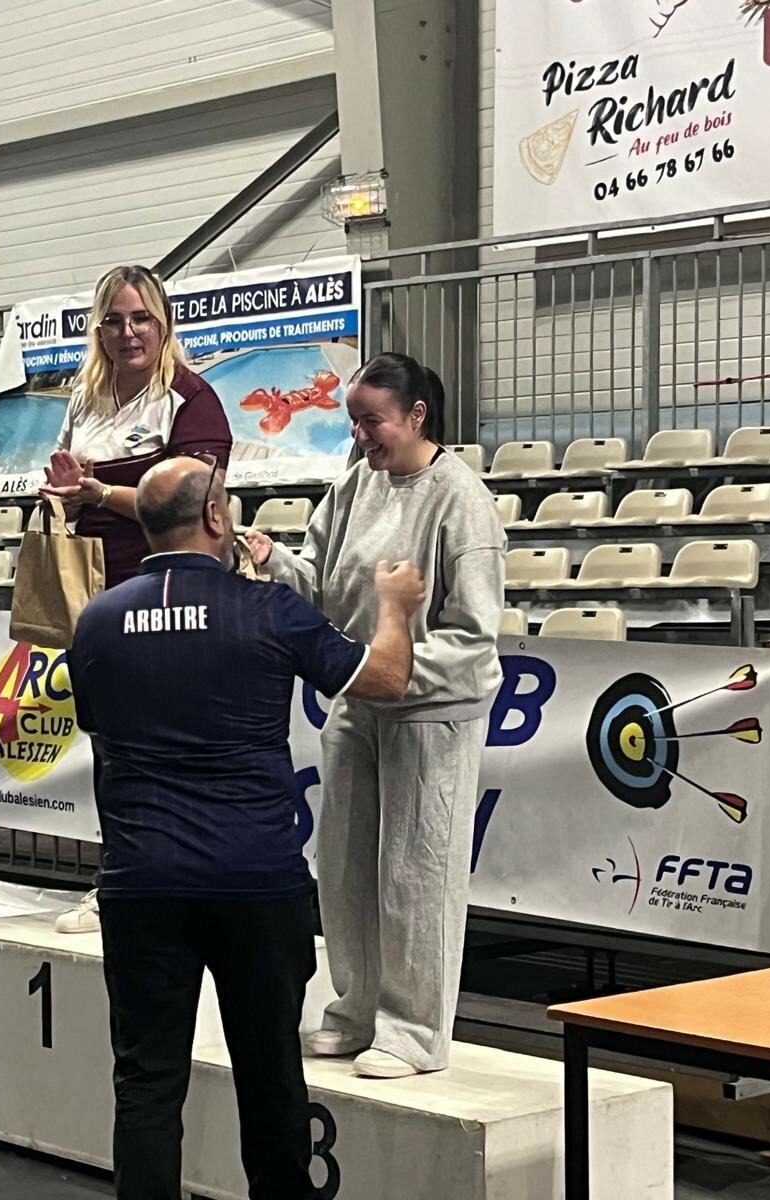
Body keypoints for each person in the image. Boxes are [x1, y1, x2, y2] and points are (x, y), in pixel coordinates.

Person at [69, 455, 425, 1200]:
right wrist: (394, 606)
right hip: (254, 878)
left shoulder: (97, 620)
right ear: (215, 517)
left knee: (146, 1080)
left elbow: (100, 727)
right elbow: (387, 680)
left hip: (141, 881)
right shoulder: (266, 609)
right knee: (270, 1074)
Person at [244, 352, 506, 1080]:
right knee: (345, 865)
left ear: (416, 415)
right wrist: (274, 561)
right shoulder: (354, 484)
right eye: (354, 422)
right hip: (358, 699)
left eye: (373, 421)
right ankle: (356, 1009)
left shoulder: (462, 501)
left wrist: (394, 667)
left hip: (433, 711)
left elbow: (474, 633)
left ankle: (414, 1030)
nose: (361, 435)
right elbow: (321, 585)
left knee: (417, 871)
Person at [42, 264, 233, 934]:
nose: (128, 333)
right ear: (99, 331)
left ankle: (191, 880)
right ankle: (118, 878)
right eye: (115, 321)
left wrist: (99, 493)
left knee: (173, 741)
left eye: (141, 318)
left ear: (163, 322)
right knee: (110, 744)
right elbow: (69, 483)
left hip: (172, 593)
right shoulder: (84, 401)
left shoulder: (191, 398)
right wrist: (66, 496)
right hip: (99, 596)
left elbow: (193, 502)